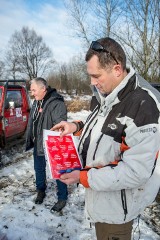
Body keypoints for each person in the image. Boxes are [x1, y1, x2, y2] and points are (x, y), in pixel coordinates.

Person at [51, 37, 160, 239]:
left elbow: (136, 171)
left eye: (96, 76)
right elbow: (103, 129)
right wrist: (75, 127)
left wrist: (82, 177)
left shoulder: (143, 105)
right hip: (102, 199)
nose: (92, 82)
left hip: (117, 211)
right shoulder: (106, 96)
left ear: (117, 70)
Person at [26, 77, 68, 212]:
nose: (32, 93)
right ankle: (41, 190)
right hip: (38, 142)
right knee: (39, 168)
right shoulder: (37, 101)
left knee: (59, 171)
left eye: (34, 90)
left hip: (52, 143)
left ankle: (62, 197)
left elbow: (60, 124)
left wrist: (50, 136)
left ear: (43, 88)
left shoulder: (56, 102)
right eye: (31, 91)